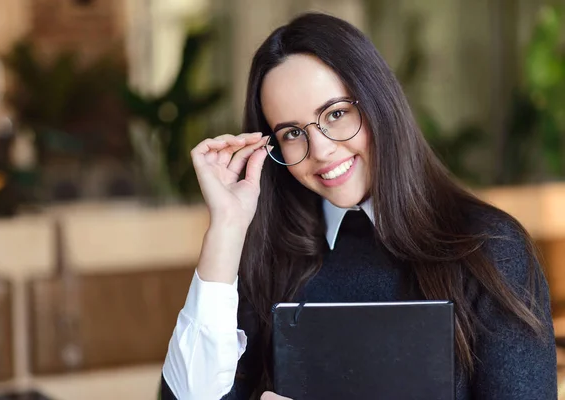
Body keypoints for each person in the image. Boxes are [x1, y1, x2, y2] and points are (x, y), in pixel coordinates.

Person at [160, 12, 557, 400]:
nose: (321, 150)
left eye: (335, 114)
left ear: (377, 103)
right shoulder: (263, 257)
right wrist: (227, 227)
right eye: (293, 133)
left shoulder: (488, 248)